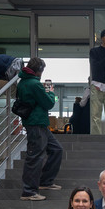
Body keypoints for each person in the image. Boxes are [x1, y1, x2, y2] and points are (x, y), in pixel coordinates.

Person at [17, 58, 63, 201]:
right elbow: (48, 103)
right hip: (36, 123)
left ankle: (45, 181)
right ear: (39, 71)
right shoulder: (35, 84)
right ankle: (29, 191)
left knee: (56, 150)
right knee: (35, 156)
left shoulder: (23, 82)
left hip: (37, 123)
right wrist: (50, 92)